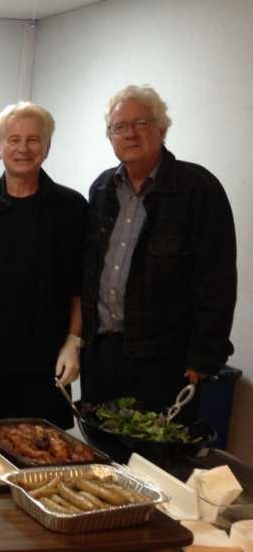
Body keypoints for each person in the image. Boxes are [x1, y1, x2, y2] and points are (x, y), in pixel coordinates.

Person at [81, 85, 236, 419]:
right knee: (102, 454)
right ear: (110, 137)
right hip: (103, 353)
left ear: (163, 129)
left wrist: (203, 358)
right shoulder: (102, 188)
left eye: (141, 123)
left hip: (165, 361)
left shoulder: (197, 188)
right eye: (119, 127)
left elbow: (217, 280)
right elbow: (90, 270)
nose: (130, 134)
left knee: (154, 459)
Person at [0, 102, 86, 429]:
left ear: (48, 147)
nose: (23, 149)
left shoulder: (72, 209)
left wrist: (74, 342)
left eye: (33, 140)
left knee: (45, 451)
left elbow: (81, 286)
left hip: (48, 358)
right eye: (13, 140)